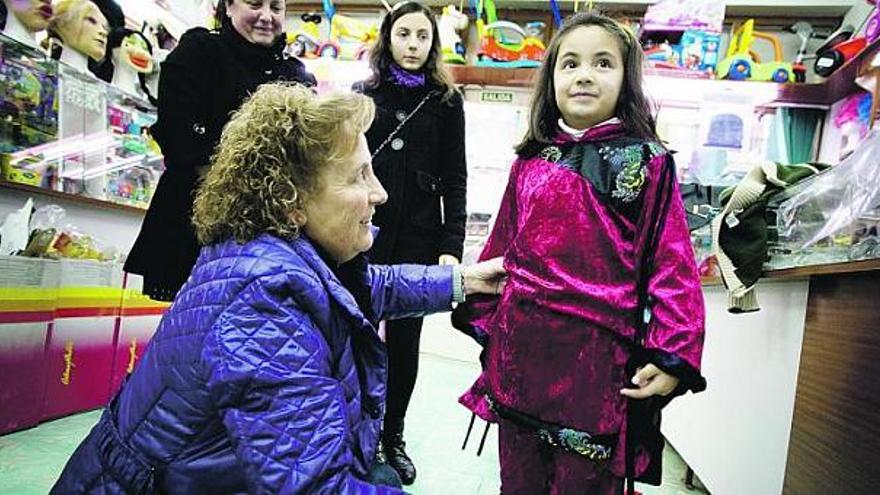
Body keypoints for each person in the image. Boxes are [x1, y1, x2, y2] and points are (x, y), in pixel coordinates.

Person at [50, 84, 506, 494]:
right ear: (292, 199)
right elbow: (318, 490)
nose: (380, 192)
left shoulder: (275, 252)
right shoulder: (260, 307)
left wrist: (465, 280)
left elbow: (373, 286)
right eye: (358, 176)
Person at [453, 13, 706, 494]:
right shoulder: (528, 160)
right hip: (520, 359)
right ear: (551, 80)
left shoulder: (649, 161)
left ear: (625, 80)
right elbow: (500, 250)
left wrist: (673, 354)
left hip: (597, 370)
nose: (585, 74)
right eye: (570, 63)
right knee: (520, 482)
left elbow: (673, 266)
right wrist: (485, 322)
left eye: (603, 63)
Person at [124, 0, 316, 302]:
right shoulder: (198, 51)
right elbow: (178, 135)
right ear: (227, 6)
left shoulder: (297, 76)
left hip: (268, 234)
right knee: (188, 329)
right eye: (255, 4)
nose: (266, 16)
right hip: (193, 224)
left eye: (276, 7)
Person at [353, 2, 467, 484]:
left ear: (433, 43)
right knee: (355, 333)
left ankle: (392, 437)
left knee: (406, 344)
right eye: (405, 34)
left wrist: (452, 243)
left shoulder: (446, 101)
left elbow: (455, 175)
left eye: (423, 36)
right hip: (363, 234)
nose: (414, 44)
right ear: (388, 38)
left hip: (420, 239)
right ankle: (353, 430)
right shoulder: (364, 94)